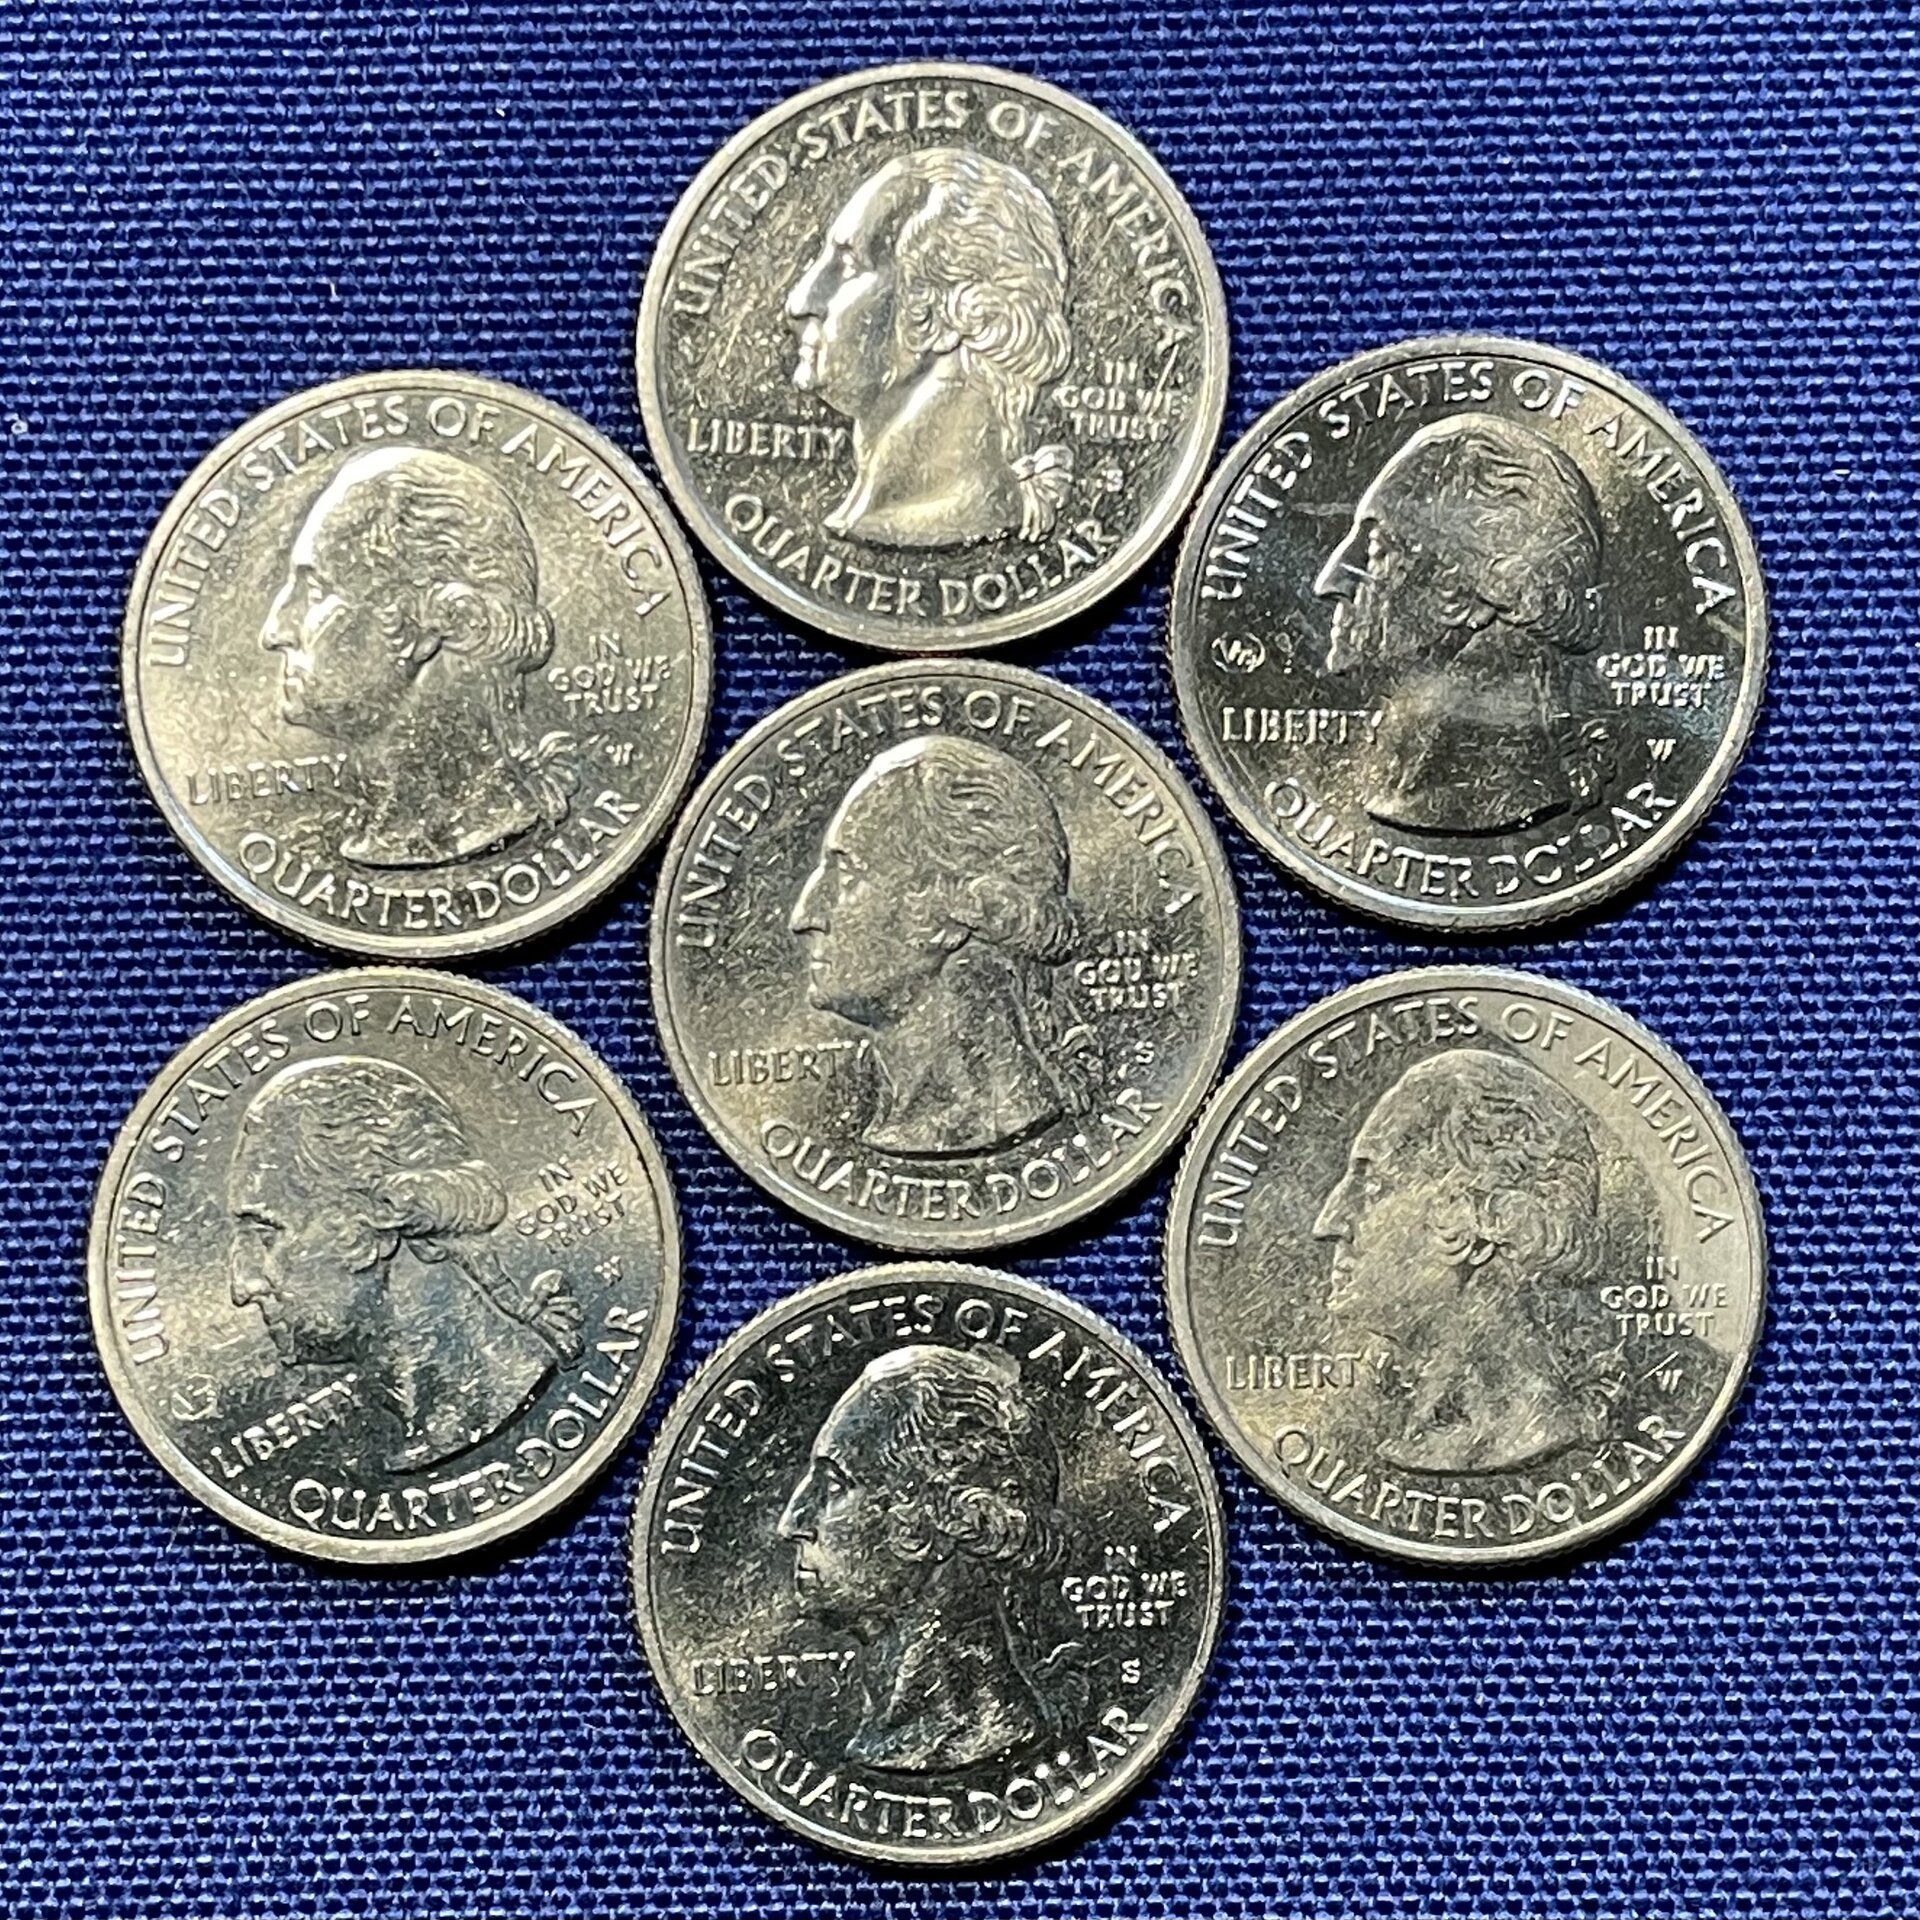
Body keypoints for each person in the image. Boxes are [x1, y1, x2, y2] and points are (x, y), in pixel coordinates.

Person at [226, 1055, 584, 1473]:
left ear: (384, 1216)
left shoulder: (492, 1398)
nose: (242, 1285)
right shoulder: (402, 1433)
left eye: (266, 1235)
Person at [261, 445, 577, 867]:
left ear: (430, 624)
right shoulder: (352, 825)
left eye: (316, 590)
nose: (275, 631)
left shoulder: (462, 823)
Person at [1310, 1049, 1624, 1473]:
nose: (1329, 1223)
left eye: (1373, 1186)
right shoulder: (1418, 1434)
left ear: (1476, 1228)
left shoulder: (1526, 1433)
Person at [788, 733, 1093, 1156]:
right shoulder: (905, 1120)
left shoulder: (995, 1120)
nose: (803, 916)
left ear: (968, 906)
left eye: (848, 875)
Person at [1311, 415, 1610, 835]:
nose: (1327, 582)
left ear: (1468, 591)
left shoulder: (1460, 793)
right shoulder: (1408, 777)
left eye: (1376, 549)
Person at [776, 1344, 1062, 1772]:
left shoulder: (975, 1733)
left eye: (835, 1485)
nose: (791, 1522)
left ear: (943, 1514)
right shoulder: (890, 1732)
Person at [785, 146, 1075, 550]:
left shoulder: (954, 518)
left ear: (956, 310)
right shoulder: (865, 516)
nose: (799, 302)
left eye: (849, 266)